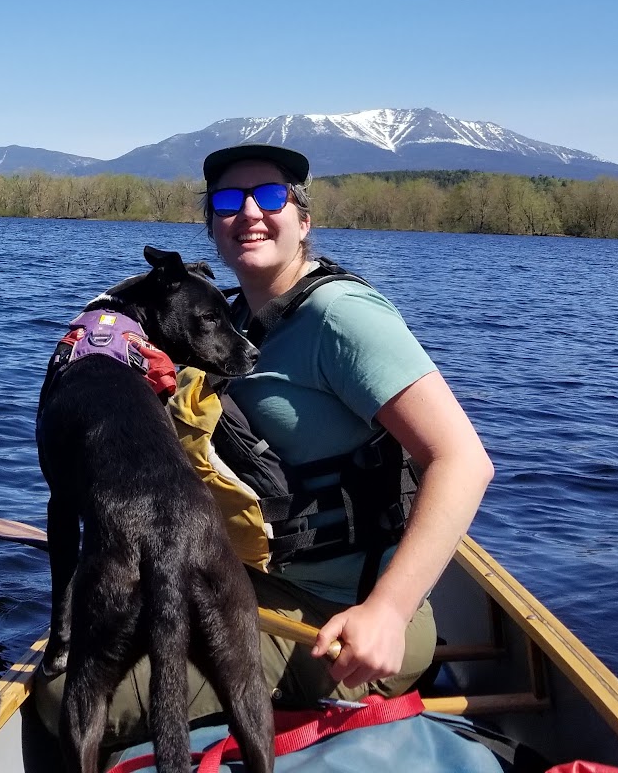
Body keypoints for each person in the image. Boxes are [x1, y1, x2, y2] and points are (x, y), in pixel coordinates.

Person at [29, 142, 492, 748]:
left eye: (270, 196)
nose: (249, 212)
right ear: (212, 227)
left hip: (340, 621)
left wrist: (389, 611)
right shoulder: (228, 322)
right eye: (228, 201)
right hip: (247, 580)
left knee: (65, 696)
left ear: (304, 220)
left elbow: (463, 462)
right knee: (93, 634)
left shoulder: (341, 317)